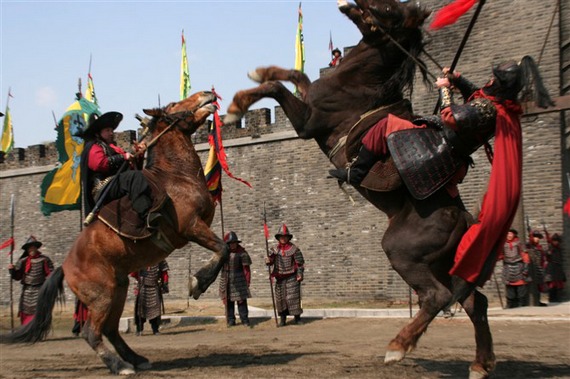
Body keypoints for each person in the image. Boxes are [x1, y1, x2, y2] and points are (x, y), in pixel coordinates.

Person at [329, 56, 553, 302]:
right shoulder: (494, 103)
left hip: (440, 143)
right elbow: (476, 96)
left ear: (499, 83)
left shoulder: (489, 109)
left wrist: (444, 90)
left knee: (384, 125)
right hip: (445, 143)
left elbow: (452, 118)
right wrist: (458, 80)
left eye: (494, 78)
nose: (490, 80)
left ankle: (356, 172)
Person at [79, 111, 159, 228]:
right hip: (103, 187)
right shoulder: (93, 146)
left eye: (112, 130)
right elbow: (99, 164)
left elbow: (131, 167)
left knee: (140, 176)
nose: (111, 133)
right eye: (107, 130)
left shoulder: (113, 148)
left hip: (115, 183)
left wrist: (138, 154)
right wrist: (123, 157)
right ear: (97, 133)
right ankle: (146, 215)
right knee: (134, 177)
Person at [8, 236, 54, 325]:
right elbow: (17, 276)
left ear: (36, 248)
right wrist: (12, 270)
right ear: (27, 249)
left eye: (33, 247)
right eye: (30, 247)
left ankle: (37, 331)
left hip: (40, 289)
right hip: (26, 291)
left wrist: (48, 287)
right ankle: (26, 330)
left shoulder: (44, 259)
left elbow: (50, 274)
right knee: (26, 311)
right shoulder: (23, 261)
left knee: (39, 311)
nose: (32, 249)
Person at [265, 224, 305, 326]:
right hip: (280, 278)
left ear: (288, 237)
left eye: (285, 237)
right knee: (281, 299)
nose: (283, 238)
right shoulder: (274, 249)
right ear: (278, 238)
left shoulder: (294, 249)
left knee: (293, 298)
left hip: (292, 277)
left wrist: (300, 274)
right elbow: (271, 261)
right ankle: (283, 319)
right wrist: (268, 261)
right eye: (281, 237)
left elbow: (299, 264)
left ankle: (297, 318)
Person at [218, 231, 252, 327]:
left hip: (239, 278)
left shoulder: (242, 253)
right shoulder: (224, 254)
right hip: (226, 278)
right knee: (228, 301)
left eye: (234, 243)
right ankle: (231, 320)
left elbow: (246, 269)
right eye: (231, 243)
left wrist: (247, 281)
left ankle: (244, 319)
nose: (233, 245)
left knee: (241, 301)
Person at [130, 260, 169, 335]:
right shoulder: (141, 258)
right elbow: (133, 273)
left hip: (155, 287)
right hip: (142, 287)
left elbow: (164, 273)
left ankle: (155, 329)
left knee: (155, 310)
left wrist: (164, 284)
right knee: (140, 310)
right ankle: (139, 329)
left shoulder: (160, 259)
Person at [498, 229, 530, 308]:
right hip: (508, 266)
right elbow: (500, 255)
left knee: (521, 286)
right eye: (507, 234)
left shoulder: (518, 243)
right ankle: (511, 303)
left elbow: (524, 254)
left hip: (518, 266)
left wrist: (526, 265)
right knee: (509, 286)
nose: (509, 235)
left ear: (514, 235)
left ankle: (521, 303)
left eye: (510, 234)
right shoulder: (503, 244)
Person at [544, 233, 566, 303]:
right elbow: (547, 256)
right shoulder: (550, 248)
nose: (555, 242)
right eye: (554, 240)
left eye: (557, 241)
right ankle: (552, 299)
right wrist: (548, 253)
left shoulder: (559, 249)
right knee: (551, 285)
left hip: (558, 268)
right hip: (551, 268)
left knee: (559, 285)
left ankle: (558, 298)